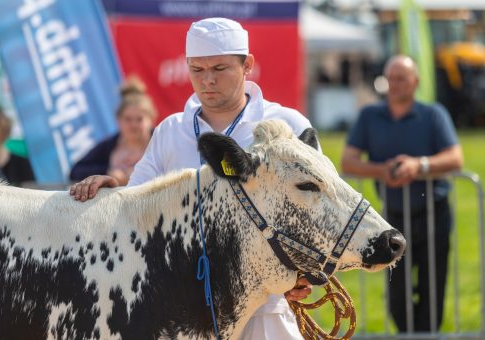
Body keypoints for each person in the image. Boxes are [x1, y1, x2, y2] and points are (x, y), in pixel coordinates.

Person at [70, 17, 316, 339]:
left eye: (219, 68)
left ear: (248, 66)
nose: (207, 80)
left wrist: (303, 272)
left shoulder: (288, 124)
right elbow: (136, 204)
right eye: (197, 70)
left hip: (263, 307)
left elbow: (316, 208)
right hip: (182, 308)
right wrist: (112, 191)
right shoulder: (171, 130)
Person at [341, 55, 463, 332]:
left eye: (402, 78)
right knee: (397, 295)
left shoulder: (433, 114)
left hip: (434, 214)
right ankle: (410, 336)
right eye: (391, 78)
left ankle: (426, 336)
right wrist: (380, 170)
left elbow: (455, 158)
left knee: (433, 288)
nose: (395, 84)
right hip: (394, 218)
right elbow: (348, 161)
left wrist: (418, 165)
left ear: (416, 82)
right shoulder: (370, 116)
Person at [69, 75, 157, 185]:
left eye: (139, 119)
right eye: (128, 119)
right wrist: (108, 173)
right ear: (118, 120)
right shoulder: (109, 145)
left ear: (151, 119)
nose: (133, 125)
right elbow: (75, 171)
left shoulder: (160, 141)